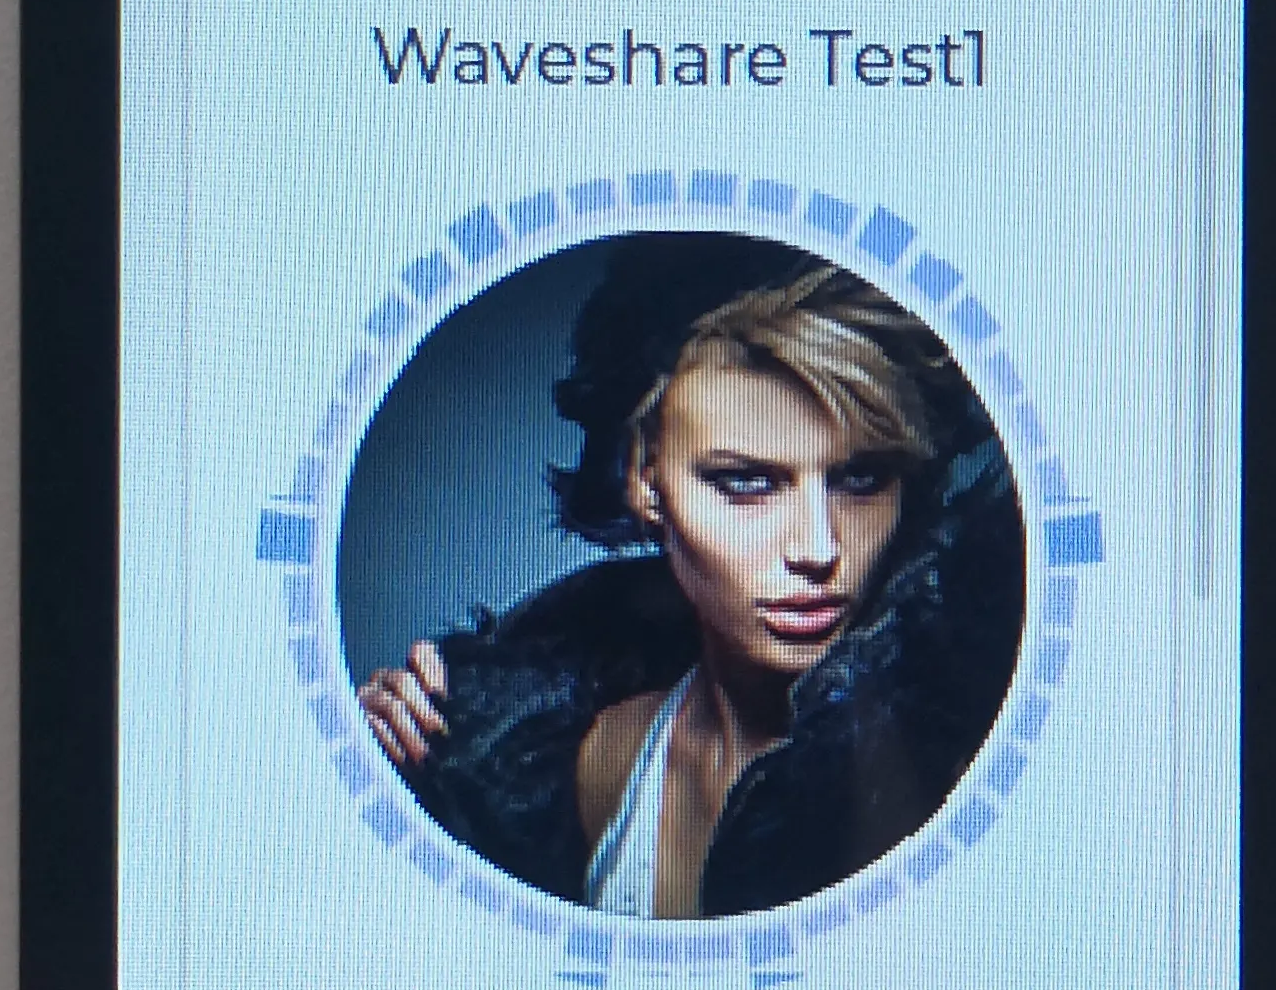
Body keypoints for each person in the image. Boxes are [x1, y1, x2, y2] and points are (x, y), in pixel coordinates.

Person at [356, 235, 1024, 919]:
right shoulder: (600, 757)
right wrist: (388, 778)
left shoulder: (972, 766)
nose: (817, 548)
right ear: (646, 480)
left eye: (860, 478)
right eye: (745, 482)